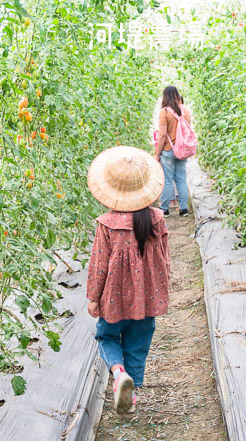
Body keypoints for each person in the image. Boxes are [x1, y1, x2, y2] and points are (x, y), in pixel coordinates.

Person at [86, 146, 171, 414]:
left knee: (107, 336)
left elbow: (99, 264)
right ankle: (131, 396)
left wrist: (93, 297)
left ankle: (118, 373)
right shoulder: (156, 219)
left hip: (114, 296)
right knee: (138, 342)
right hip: (146, 297)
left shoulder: (108, 223)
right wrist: (160, 290)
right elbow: (165, 260)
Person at [153, 86, 193, 216]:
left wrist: (157, 153)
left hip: (168, 150)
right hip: (182, 150)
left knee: (167, 180)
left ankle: (164, 209)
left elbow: (163, 135)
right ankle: (183, 209)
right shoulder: (185, 111)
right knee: (181, 179)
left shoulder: (164, 112)